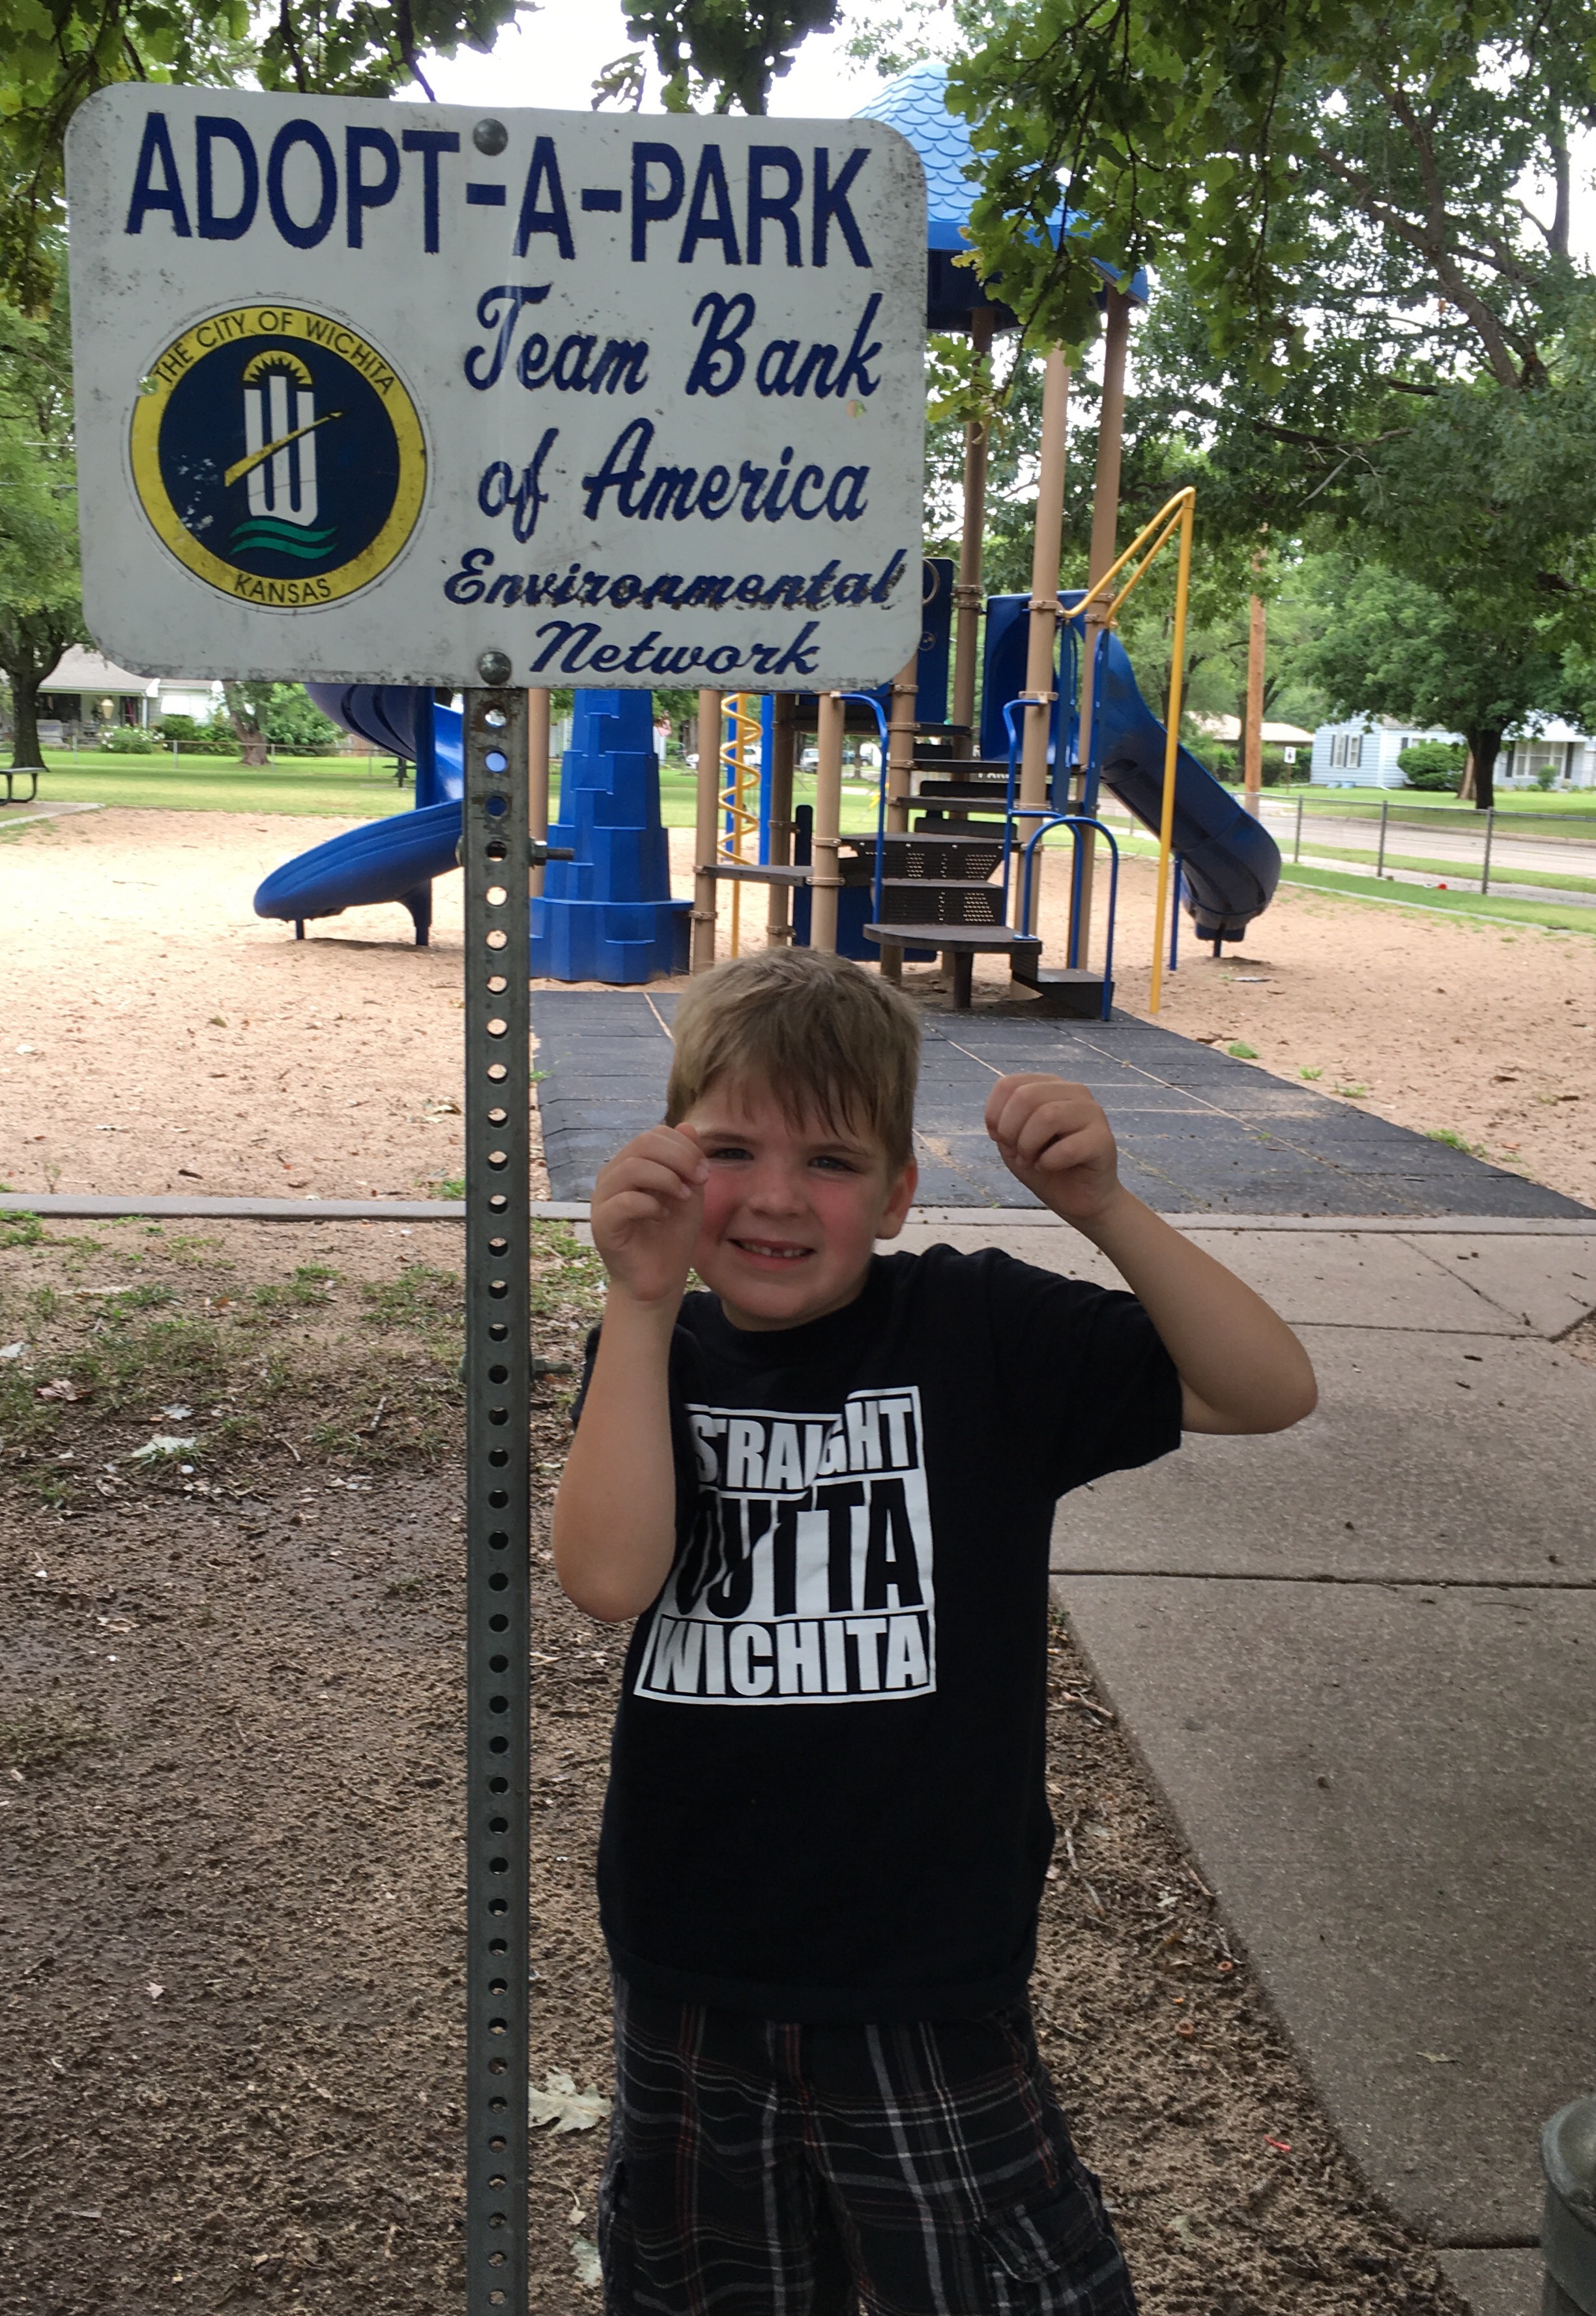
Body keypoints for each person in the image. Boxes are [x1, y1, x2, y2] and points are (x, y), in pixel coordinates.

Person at [552, 948, 1316, 2316]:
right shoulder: (655, 1345)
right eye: (730, 1150)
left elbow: (1265, 1388)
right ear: (670, 1160)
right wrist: (640, 1298)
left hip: (925, 1968)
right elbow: (608, 1578)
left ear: (900, 1192)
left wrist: (1101, 1206)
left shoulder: (981, 1328)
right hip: (692, 1955)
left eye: (832, 1161)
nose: (776, 1196)